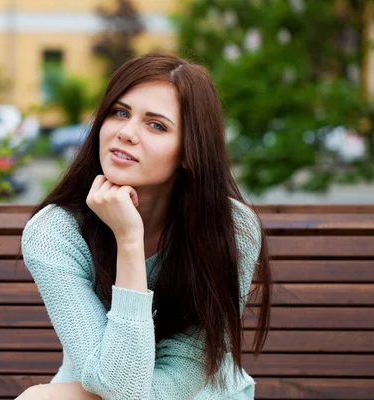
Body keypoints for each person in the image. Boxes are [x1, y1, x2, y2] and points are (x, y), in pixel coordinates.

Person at [16, 53, 271, 400]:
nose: (125, 133)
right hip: (91, 390)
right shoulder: (56, 232)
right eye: (120, 112)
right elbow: (115, 383)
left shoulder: (231, 230)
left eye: (156, 125)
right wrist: (129, 241)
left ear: (188, 150)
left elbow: (160, 384)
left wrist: (129, 241)